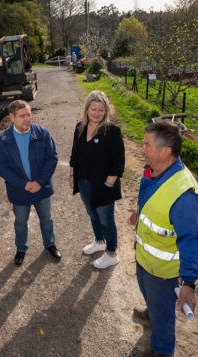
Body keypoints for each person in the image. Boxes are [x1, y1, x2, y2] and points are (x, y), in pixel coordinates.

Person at [127, 121, 198, 357]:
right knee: (149, 295)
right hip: (144, 258)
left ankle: (162, 351)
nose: (141, 150)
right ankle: (152, 309)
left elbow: (191, 240)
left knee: (164, 316)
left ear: (165, 151)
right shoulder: (154, 171)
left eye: (146, 145)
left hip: (161, 271)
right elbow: (154, 203)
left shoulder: (183, 194)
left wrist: (188, 284)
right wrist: (138, 214)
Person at [0, 100, 61, 266]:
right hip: (19, 190)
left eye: (29, 114)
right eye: (22, 116)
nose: (27, 119)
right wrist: (24, 185)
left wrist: (39, 182)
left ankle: (50, 244)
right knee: (20, 222)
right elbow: (2, 169)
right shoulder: (3, 140)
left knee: (47, 218)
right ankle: (21, 249)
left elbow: (52, 158)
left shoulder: (42, 133)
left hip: (42, 187)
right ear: (11, 117)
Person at [69, 90, 125, 269]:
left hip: (103, 184)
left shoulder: (112, 131)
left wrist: (109, 184)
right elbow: (74, 155)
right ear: (87, 109)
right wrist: (72, 175)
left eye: (101, 110)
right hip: (84, 181)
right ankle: (99, 241)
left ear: (106, 111)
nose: (97, 113)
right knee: (93, 214)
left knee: (106, 219)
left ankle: (111, 253)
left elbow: (119, 162)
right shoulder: (80, 127)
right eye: (94, 109)